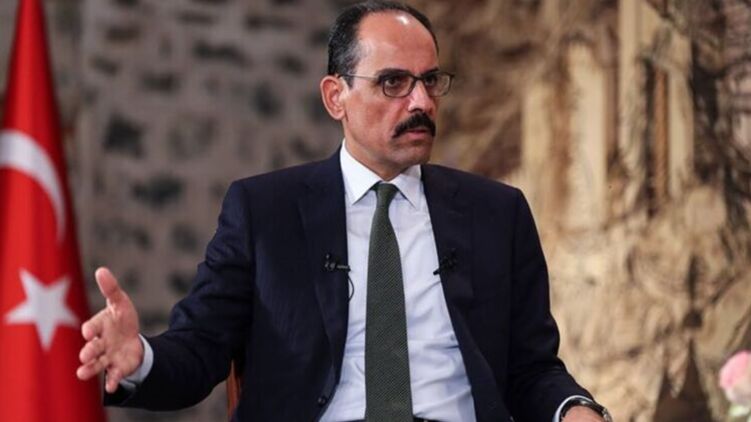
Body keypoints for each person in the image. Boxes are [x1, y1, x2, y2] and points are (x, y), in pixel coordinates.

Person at [76, 1, 611, 421]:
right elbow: (200, 349)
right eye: (394, 83)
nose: (421, 102)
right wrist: (140, 357)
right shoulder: (265, 213)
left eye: (430, 80)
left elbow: (532, 369)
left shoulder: (497, 213)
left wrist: (575, 410)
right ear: (336, 97)